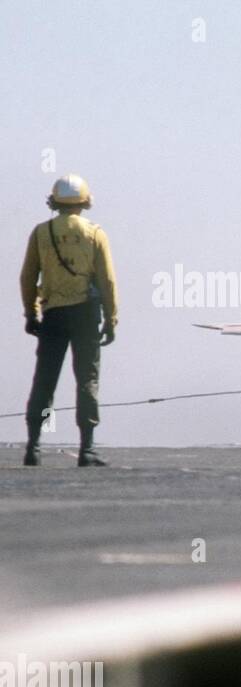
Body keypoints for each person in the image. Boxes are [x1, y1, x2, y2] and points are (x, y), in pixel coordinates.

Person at [18, 174, 117, 467]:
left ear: (54, 201)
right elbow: (107, 280)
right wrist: (111, 319)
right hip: (86, 315)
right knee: (87, 380)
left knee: (45, 381)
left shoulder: (41, 232)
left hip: (53, 315)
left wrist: (30, 312)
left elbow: (27, 277)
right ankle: (87, 450)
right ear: (86, 201)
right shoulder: (96, 233)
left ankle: (33, 447)